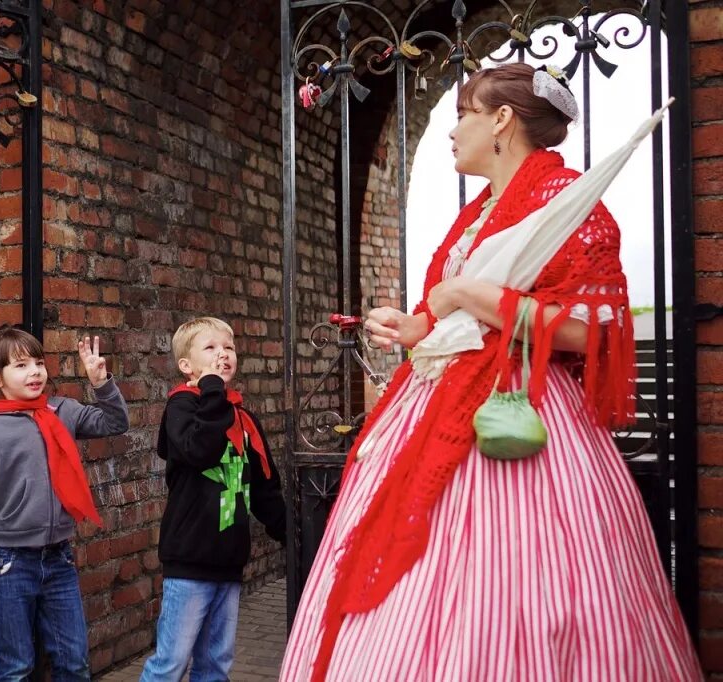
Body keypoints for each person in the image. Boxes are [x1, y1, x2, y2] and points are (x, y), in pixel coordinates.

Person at [281, 63, 702, 681]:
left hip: (520, 416)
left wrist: (468, 297)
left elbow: (592, 330)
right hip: (437, 400)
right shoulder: (480, 210)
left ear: (501, 120)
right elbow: (449, 308)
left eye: (462, 115)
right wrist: (417, 324)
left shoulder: (564, 200)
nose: (453, 132)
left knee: (513, 575)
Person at [0, 327, 128, 681]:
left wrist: (101, 383)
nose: (34, 372)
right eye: (20, 366)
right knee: (16, 668)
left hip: (59, 557)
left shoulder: (61, 410)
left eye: (38, 362)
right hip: (11, 561)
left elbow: (115, 422)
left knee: (74, 663)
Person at [140, 317, 286, 682]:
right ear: (186, 366)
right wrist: (211, 391)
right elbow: (199, 450)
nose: (223, 353)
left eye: (229, 347)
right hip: (189, 559)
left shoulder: (243, 419)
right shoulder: (181, 409)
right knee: (170, 663)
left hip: (229, 561)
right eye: (210, 348)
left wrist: (292, 535)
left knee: (215, 664)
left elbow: (265, 489)